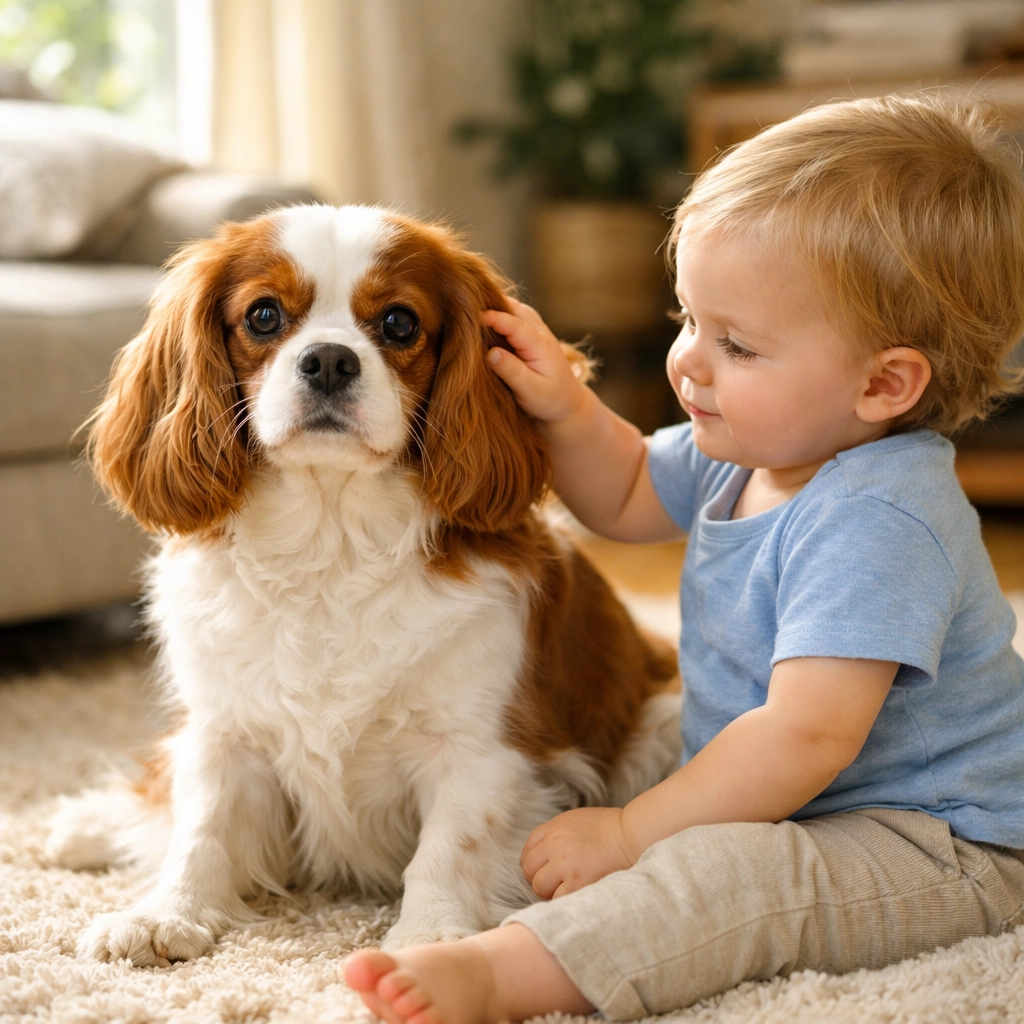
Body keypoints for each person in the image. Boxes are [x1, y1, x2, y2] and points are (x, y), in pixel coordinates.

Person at [344, 94, 1024, 1024]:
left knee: (723, 880)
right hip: (798, 795)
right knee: (674, 830)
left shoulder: (881, 517)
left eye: (735, 343)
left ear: (884, 384)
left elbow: (805, 738)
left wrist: (633, 833)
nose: (687, 364)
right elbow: (624, 492)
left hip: (937, 840)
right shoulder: (744, 445)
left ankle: (501, 975)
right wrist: (567, 407)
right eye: (688, 318)